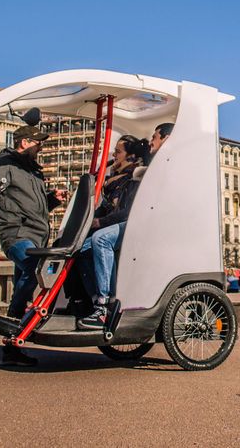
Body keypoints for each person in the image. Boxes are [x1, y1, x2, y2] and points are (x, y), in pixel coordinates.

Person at [77, 123, 173, 330]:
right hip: (137, 220)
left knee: (100, 238)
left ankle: (105, 304)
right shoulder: (143, 166)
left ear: (166, 138)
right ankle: (93, 300)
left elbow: (132, 208)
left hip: (146, 223)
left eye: (155, 137)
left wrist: (100, 222)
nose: (151, 142)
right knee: (78, 250)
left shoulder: (160, 164)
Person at [0, 123, 68, 366]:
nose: (40, 146)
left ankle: (12, 347)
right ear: (24, 143)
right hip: (16, 234)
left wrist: (51, 200)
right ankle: (16, 320)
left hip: (35, 236)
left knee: (22, 283)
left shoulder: (33, 172)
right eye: (37, 142)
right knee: (35, 269)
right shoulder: (5, 165)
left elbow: (34, 208)